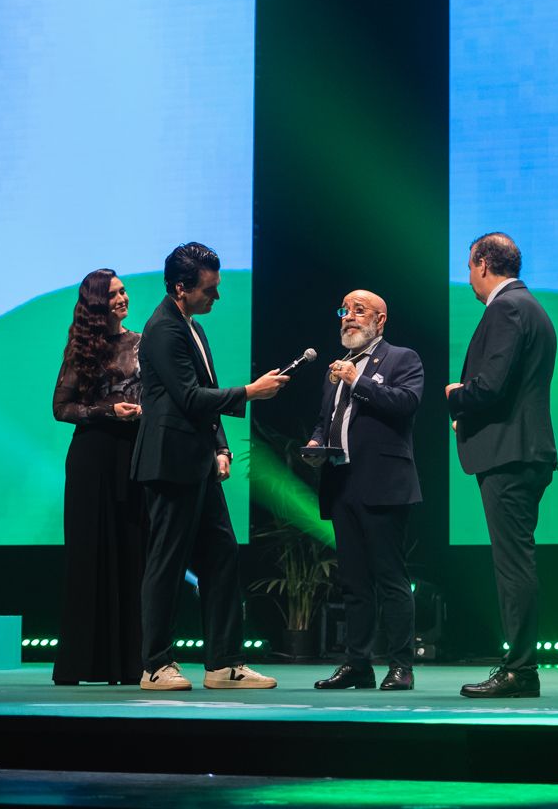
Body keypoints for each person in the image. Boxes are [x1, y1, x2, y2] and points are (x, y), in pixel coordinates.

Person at [133, 242, 288, 690]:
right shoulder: (163, 328)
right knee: (166, 563)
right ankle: (155, 665)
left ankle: (224, 664)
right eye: (208, 289)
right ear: (180, 288)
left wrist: (220, 447)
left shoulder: (192, 327)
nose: (216, 296)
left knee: (221, 557)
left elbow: (206, 395)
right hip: (168, 463)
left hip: (197, 460)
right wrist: (251, 391)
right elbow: (187, 397)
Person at [446, 232, 557, 698]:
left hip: (512, 454)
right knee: (516, 560)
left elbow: (491, 386)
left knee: (513, 564)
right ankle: (519, 666)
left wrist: (457, 397)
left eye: (469, 267)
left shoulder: (508, 308)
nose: (468, 277)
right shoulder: (529, 307)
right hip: (520, 451)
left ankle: (521, 670)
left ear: (484, 264)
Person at [305, 290, 424, 692]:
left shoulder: (402, 358)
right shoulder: (335, 369)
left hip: (383, 484)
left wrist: (360, 381)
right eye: (344, 310)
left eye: (359, 311)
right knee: (353, 581)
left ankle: (401, 666)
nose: (348, 317)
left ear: (381, 320)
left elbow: (406, 403)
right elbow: (327, 420)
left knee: (390, 578)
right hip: (341, 483)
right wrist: (318, 443)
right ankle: (358, 664)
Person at [51, 269, 144, 686]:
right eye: (113, 295)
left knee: (132, 554)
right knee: (88, 556)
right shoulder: (81, 349)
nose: (122, 298)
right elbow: (61, 408)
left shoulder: (140, 341)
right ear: (96, 305)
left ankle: (128, 663)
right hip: (91, 457)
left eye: (123, 291)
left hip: (131, 455)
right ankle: (80, 663)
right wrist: (107, 411)